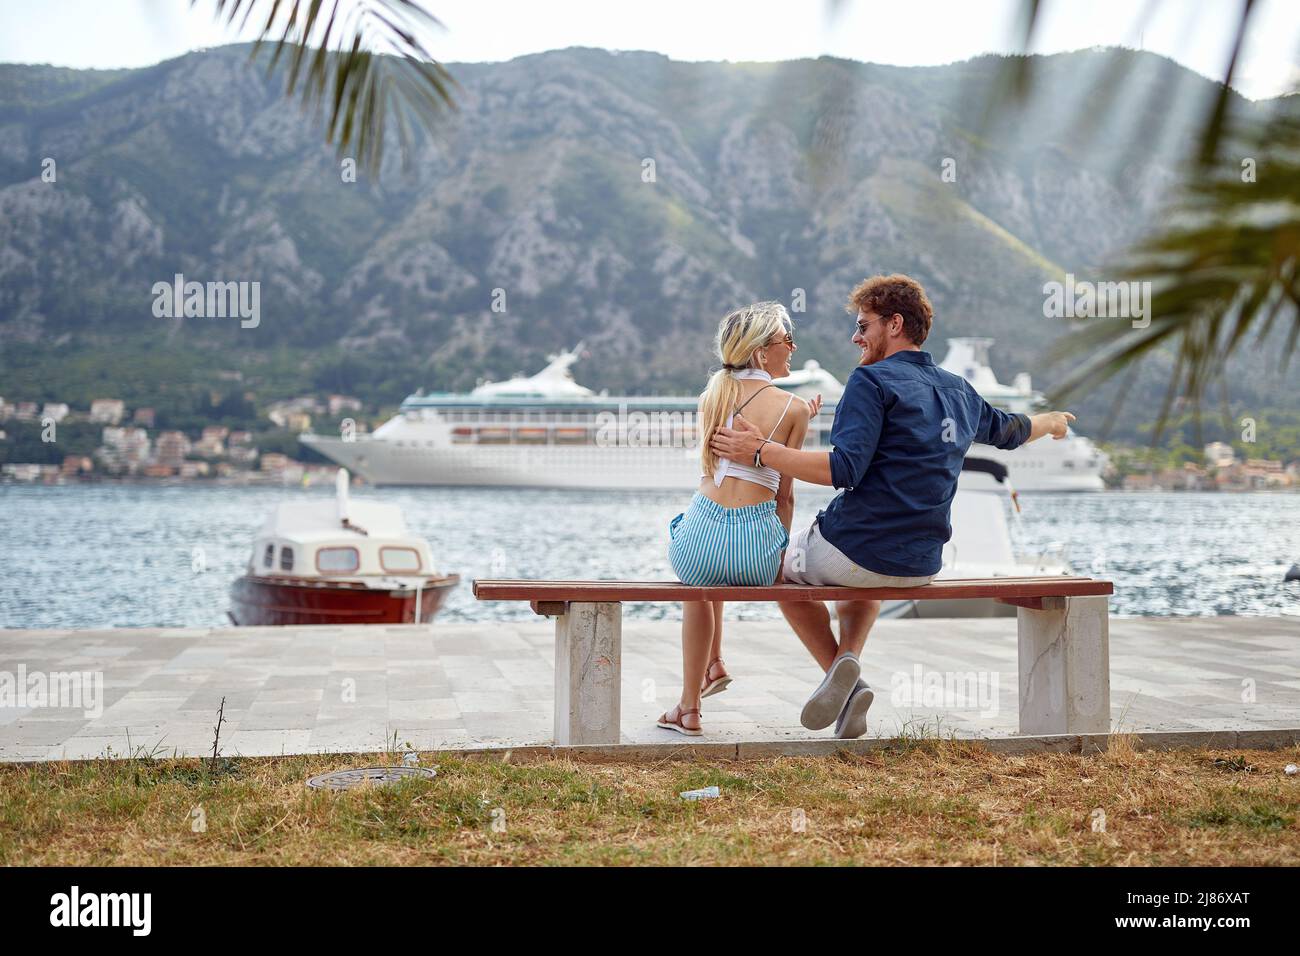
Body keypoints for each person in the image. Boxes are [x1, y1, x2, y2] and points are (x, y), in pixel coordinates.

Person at [710, 274, 1077, 739]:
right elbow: (1011, 430)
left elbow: (844, 468)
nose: (856, 337)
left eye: (863, 325)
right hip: (920, 565)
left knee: (775, 565)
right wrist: (1051, 422)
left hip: (855, 551)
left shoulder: (870, 381)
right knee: (866, 570)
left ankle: (844, 678)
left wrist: (761, 451)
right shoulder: (959, 391)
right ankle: (848, 660)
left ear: (895, 324)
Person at [657, 301, 820, 736]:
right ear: (762, 352)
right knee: (725, 559)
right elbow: (784, 496)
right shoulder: (795, 409)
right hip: (754, 555)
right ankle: (712, 667)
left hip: (698, 544)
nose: (793, 347)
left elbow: (712, 470)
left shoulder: (711, 396)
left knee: (702, 579)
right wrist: (776, 554)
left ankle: (691, 704)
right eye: (787, 340)